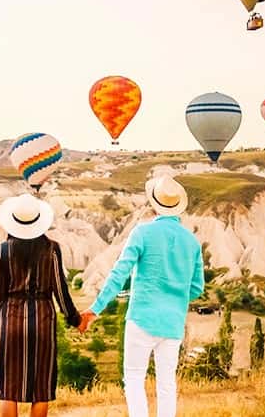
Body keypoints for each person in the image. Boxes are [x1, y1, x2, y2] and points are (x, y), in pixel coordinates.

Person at [80, 176, 204, 417]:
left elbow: (119, 273)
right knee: (167, 384)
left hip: (142, 318)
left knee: (135, 379)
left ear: (154, 203)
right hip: (173, 323)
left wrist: (95, 309)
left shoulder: (142, 232)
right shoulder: (192, 242)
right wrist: (175, 297)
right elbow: (197, 288)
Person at [0, 193, 81, 417]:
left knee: (9, 388)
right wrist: (74, 319)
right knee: (41, 389)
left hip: (12, 321)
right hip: (43, 322)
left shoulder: (3, 251)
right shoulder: (52, 249)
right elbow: (60, 290)